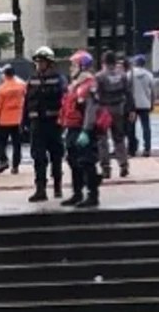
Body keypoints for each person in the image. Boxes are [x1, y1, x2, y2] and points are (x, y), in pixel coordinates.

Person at [23, 47, 66, 202]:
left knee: (56, 157)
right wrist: (24, 122)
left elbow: (65, 102)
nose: (39, 64)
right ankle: (40, 189)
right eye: (38, 61)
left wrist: (63, 121)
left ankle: (57, 187)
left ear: (49, 63)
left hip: (53, 124)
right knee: (38, 158)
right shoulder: (32, 79)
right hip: (37, 124)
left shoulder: (59, 79)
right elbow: (27, 102)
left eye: (42, 61)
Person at [60, 50, 100, 208]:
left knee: (86, 162)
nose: (71, 68)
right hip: (72, 128)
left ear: (82, 66)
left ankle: (92, 195)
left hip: (83, 130)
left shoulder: (89, 84)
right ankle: (77, 193)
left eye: (74, 65)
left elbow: (91, 109)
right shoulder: (75, 85)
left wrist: (86, 130)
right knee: (73, 161)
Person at [94, 51, 130, 179]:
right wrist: (131, 110)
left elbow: (95, 95)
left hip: (104, 110)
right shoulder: (123, 75)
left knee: (102, 139)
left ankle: (105, 168)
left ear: (104, 62)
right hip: (119, 109)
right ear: (115, 62)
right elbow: (128, 93)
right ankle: (123, 164)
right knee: (119, 138)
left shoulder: (99, 76)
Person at [0, 64, 26, 174]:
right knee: (17, 144)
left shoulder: (1, 89)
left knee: (1, 143)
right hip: (18, 119)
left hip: (3, 120)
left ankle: (3, 161)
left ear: (4, 75)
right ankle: (15, 166)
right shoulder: (21, 86)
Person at [129, 55, 155, 157]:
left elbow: (127, 90)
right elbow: (153, 92)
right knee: (146, 127)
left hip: (132, 105)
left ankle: (132, 149)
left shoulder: (129, 74)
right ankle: (147, 149)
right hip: (145, 104)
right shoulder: (149, 75)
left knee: (131, 128)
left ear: (135, 63)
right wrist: (151, 104)